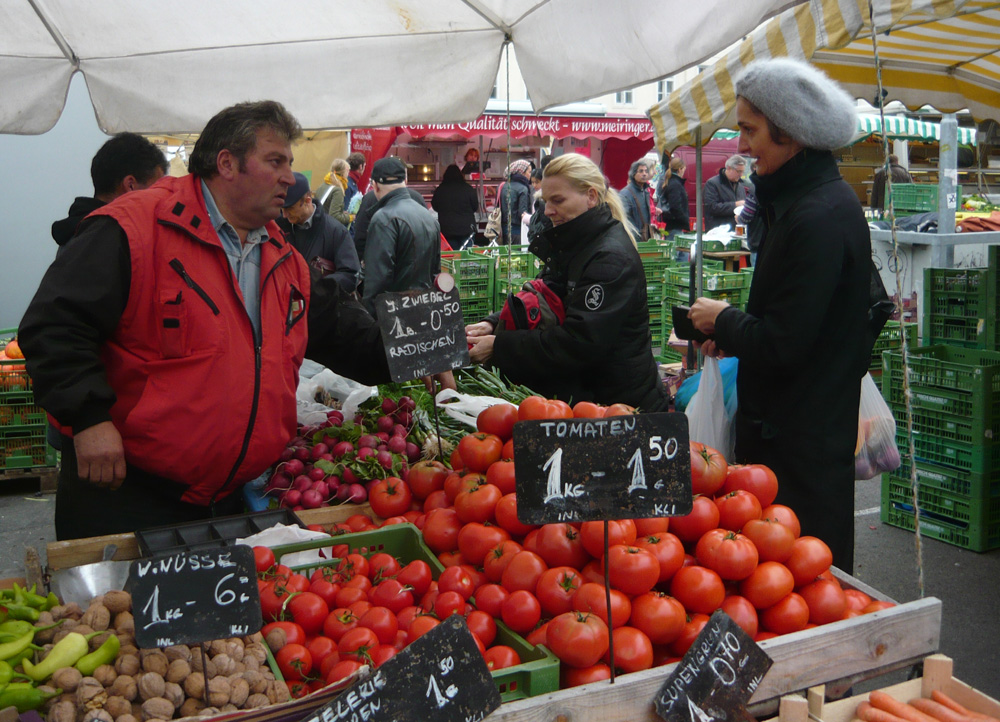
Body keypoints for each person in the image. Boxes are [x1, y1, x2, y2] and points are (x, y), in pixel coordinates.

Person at [19, 100, 397, 540]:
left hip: (226, 500)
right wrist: (88, 417)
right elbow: (54, 324)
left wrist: (420, 349)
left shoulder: (283, 258)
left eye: (289, 164)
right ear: (227, 163)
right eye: (275, 161)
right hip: (125, 494)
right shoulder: (134, 228)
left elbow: (340, 334)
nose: (290, 178)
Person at [688, 57, 870, 572]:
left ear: (790, 134)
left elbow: (786, 344)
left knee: (805, 580)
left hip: (799, 450)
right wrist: (734, 333)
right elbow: (796, 322)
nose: (740, 145)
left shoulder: (816, 216)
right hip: (798, 437)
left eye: (750, 130)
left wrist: (725, 319)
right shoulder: (808, 204)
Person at [466, 154, 669, 412]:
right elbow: (550, 292)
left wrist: (500, 347)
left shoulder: (609, 258)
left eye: (558, 200)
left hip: (620, 406)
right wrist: (493, 324)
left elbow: (579, 342)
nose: (548, 210)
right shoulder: (576, 244)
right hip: (592, 398)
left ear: (591, 196)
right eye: (545, 201)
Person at [51, 132, 168, 246]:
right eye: (155, 189)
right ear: (130, 186)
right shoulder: (112, 241)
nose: (160, 199)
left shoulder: (79, 231)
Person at [362, 157, 442, 314]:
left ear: (375, 185)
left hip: (394, 316)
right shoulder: (428, 217)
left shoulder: (383, 218)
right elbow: (435, 271)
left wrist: (369, 319)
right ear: (405, 180)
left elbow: (377, 279)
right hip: (424, 310)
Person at [277, 172, 361, 294]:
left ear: (307, 201)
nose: (284, 215)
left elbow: (350, 274)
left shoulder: (336, 231)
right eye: (282, 209)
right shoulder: (277, 227)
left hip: (320, 309)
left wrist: (317, 287)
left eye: (290, 209)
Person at [431, 164, 479, 249]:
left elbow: (435, 206)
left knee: (452, 256)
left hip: (447, 229)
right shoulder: (468, 189)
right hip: (466, 229)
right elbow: (475, 207)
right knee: (466, 256)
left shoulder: (440, 189)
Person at [703, 155, 751, 230]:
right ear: (729, 168)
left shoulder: (740, 186)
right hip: (717, 231)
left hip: (735, 231)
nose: (741, 175)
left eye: (742, 172)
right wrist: (735, 205)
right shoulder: (712, 183)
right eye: (739, 171)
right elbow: (711, 207)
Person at [497, 160, 532, 245]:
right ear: (522, 173)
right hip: (517, 231)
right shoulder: (523, 188)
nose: (530, 175)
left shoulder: (503, 186)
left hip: (503, 230)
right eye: (529, 172)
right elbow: (522, 212)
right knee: (517, 256)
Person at [656, 155, 690, 237]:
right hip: (675, 225)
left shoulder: (671, 182)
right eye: (684, 170)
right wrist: (684, 220)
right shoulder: (675, 184)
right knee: (675, 248)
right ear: (680, 169)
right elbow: (675, 206)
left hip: (672, 224)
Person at [620, 158, 653, 241]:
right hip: (633, 239)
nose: (644, 174)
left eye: (646, 171)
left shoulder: (645, 191)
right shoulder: (625, 193)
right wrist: (636, 235)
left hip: (644, 238)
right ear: (633, 174)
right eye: (641, 171)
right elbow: (625, 218)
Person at [314, 158, 352, 226]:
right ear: (343, 173)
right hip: (327, 228)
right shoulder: (337, 191)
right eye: (347, 171)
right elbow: (334, 216)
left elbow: (327, 208)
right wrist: (350, 217)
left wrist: (342, 213)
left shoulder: (323, 185)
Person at [526, 165, 553, 244]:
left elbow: (544, 220)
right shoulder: (537, 196)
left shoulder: (543, 198)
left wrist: (526, 218)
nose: (534, 185)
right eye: (532, 182)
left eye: (537, 182)